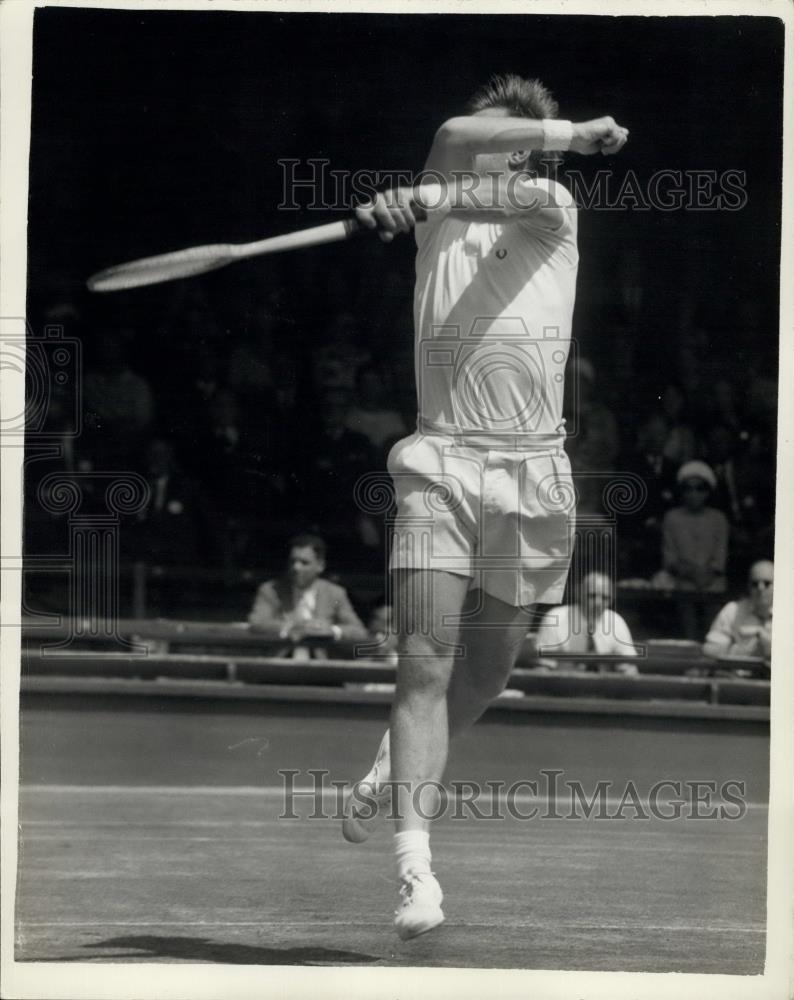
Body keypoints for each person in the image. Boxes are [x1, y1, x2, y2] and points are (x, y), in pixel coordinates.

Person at [341, 74, 629, 939]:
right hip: (440, 461)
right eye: (478, 142)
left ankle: (393, 763)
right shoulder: (436, 209)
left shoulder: (551, 208)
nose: (482, 151)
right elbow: (447, 134)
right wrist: (413, 202)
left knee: (489, 670)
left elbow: (490, 171)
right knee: (425, 662)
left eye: (511, 142)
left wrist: (565, 140)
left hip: (535, 475)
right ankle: (414, 870)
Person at [247, 533, 367, 659]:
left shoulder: (335, 593)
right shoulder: (271, 590)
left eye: (304, 563)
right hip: (280, 663)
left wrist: (331, 630)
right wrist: (292, 627)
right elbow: (257, 622)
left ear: (320, 566)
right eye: (293, 561)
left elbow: (358, 630)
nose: (296, 567)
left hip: (322, 668)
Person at [656, 460, 729, 640]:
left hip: (713, 585)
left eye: (700, 489)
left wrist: (705, 576)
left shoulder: (719, 519)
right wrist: (691, 574)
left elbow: (719, 558)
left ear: (707, 492)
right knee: (687, 632)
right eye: (688, 489)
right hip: (683, 585)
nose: (694, 494)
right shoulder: (672, 518)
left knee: (713, 634)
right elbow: (669, 557)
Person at [534, 571, 638, 673]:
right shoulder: (555, 618)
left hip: (604, 686)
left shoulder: (616, 621)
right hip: (563, 686)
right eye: (592, 596)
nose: (598, 602)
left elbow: (629, 668)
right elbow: (542, 667)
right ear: (578, 593)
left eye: (605, 598)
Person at [703, 559, 773, 663]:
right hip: (737, 675)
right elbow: (709, 649)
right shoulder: (733, 610)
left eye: (767, 583)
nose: (760, 588)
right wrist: (739, 651)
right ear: (748, 586)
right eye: (755, 583)